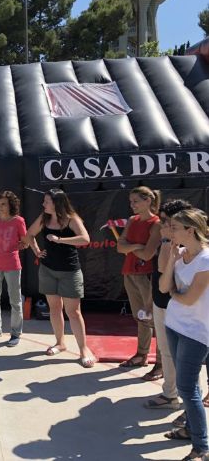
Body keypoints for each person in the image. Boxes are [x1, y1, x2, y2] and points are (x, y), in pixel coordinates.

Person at [24, 188, 96, 368]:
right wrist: (37, 251)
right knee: (54, 308)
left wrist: (60, 240)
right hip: (48, 269)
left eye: (46, 201)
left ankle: (83, 349)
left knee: (74, 312)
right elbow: (28, 234)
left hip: (69, 271)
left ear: (57, 203)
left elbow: (85, 239)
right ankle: (60, 342)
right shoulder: (44, 218)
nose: (43, 204)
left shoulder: (72, 219)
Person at [159, 209, 209, 461]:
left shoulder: (206, 260)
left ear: (190, 230)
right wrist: (171, 258)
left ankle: (202, 447)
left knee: (187, 387)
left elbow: (188, 299)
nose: (170, 232)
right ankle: (190, 430)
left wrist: (174, 297)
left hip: (197, 332)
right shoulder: (180, 255)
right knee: (190, 385)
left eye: (175, 227)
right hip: (175, 325)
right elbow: (163, 285)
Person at [144, 199, 191, 411]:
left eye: (166, 221)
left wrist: (165, 240)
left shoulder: (189, 245)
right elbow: (159, 273)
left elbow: (164, 269)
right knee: (166, 351)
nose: (161, 224)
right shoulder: (169, 240)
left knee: (185, 356)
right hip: (161, 302)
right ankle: (170, 394)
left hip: (180, 307)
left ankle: (189, 404)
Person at [116, 186, 161, 369]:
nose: (132, 205)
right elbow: (120, 247)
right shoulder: (132, 220)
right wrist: (136, 246)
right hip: (130, 273)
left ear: (148, 201)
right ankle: (141, 355)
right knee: (139, 316)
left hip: (147, 276)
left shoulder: (156, 223)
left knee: (153, 318)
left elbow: (148, 254)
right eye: (130, 201)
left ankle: (160, 362)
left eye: (135, 201)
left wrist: (130, 246)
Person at [0, 190, 27, 347]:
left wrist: (21, 245)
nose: (0, 207)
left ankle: (16, 333)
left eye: (3, 204)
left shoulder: (18, 221)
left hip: (12, 264)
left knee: (15, 301)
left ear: (11, 205)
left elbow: (25, 241)